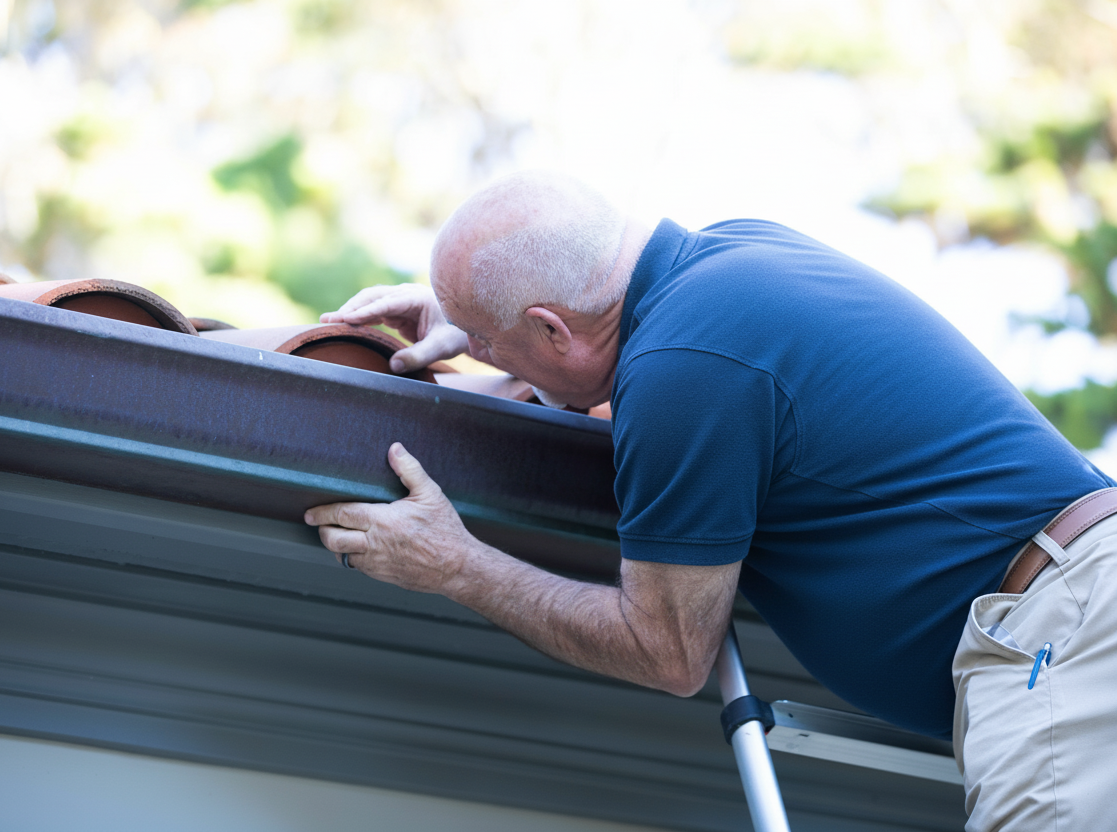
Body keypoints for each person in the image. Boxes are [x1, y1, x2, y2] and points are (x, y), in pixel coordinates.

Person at [302, 171, 1117, 830]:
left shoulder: (684, 367)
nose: (469, 353)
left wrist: (457, 565)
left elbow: (666, 651)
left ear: (553, 327)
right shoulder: (733, 260)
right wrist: (480, 324)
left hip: (1066, 630)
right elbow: (624, 378)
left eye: (484, 339)